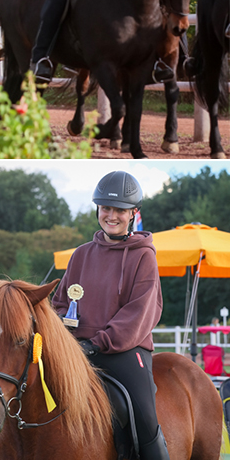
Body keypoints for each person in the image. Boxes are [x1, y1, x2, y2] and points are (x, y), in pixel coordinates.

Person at [51, 171, 169, 460]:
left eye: (119, 210)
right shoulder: (80, 254)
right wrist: (62, 336)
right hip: (76, 351)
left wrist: (98, 342)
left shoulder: (144, 256)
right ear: (98, 210)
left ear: (133, 214)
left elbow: (139, 312)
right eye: (106, 208)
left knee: (144, 418)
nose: (111, 215)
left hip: (126, 351)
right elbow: (59, 303)